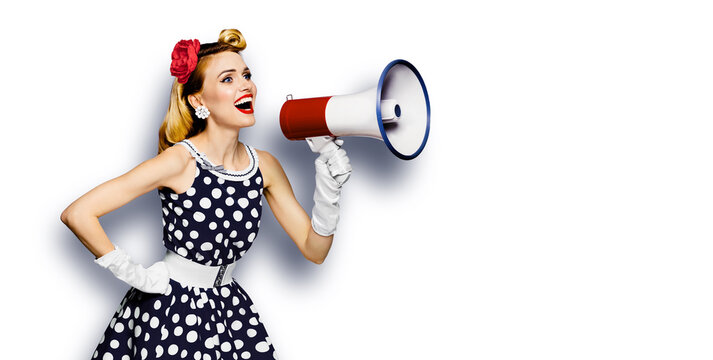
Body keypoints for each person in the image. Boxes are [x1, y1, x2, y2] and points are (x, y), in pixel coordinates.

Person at [60, 28, 351, 360]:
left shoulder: (264, 166)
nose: (246, 85)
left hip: (229, 310)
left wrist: (330, 184)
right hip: (170, 312)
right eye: (228, 79)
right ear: (198, 100)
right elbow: (79, 213)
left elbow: (315, 250)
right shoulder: (179, 161)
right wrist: (138, 276)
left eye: (246, 75)